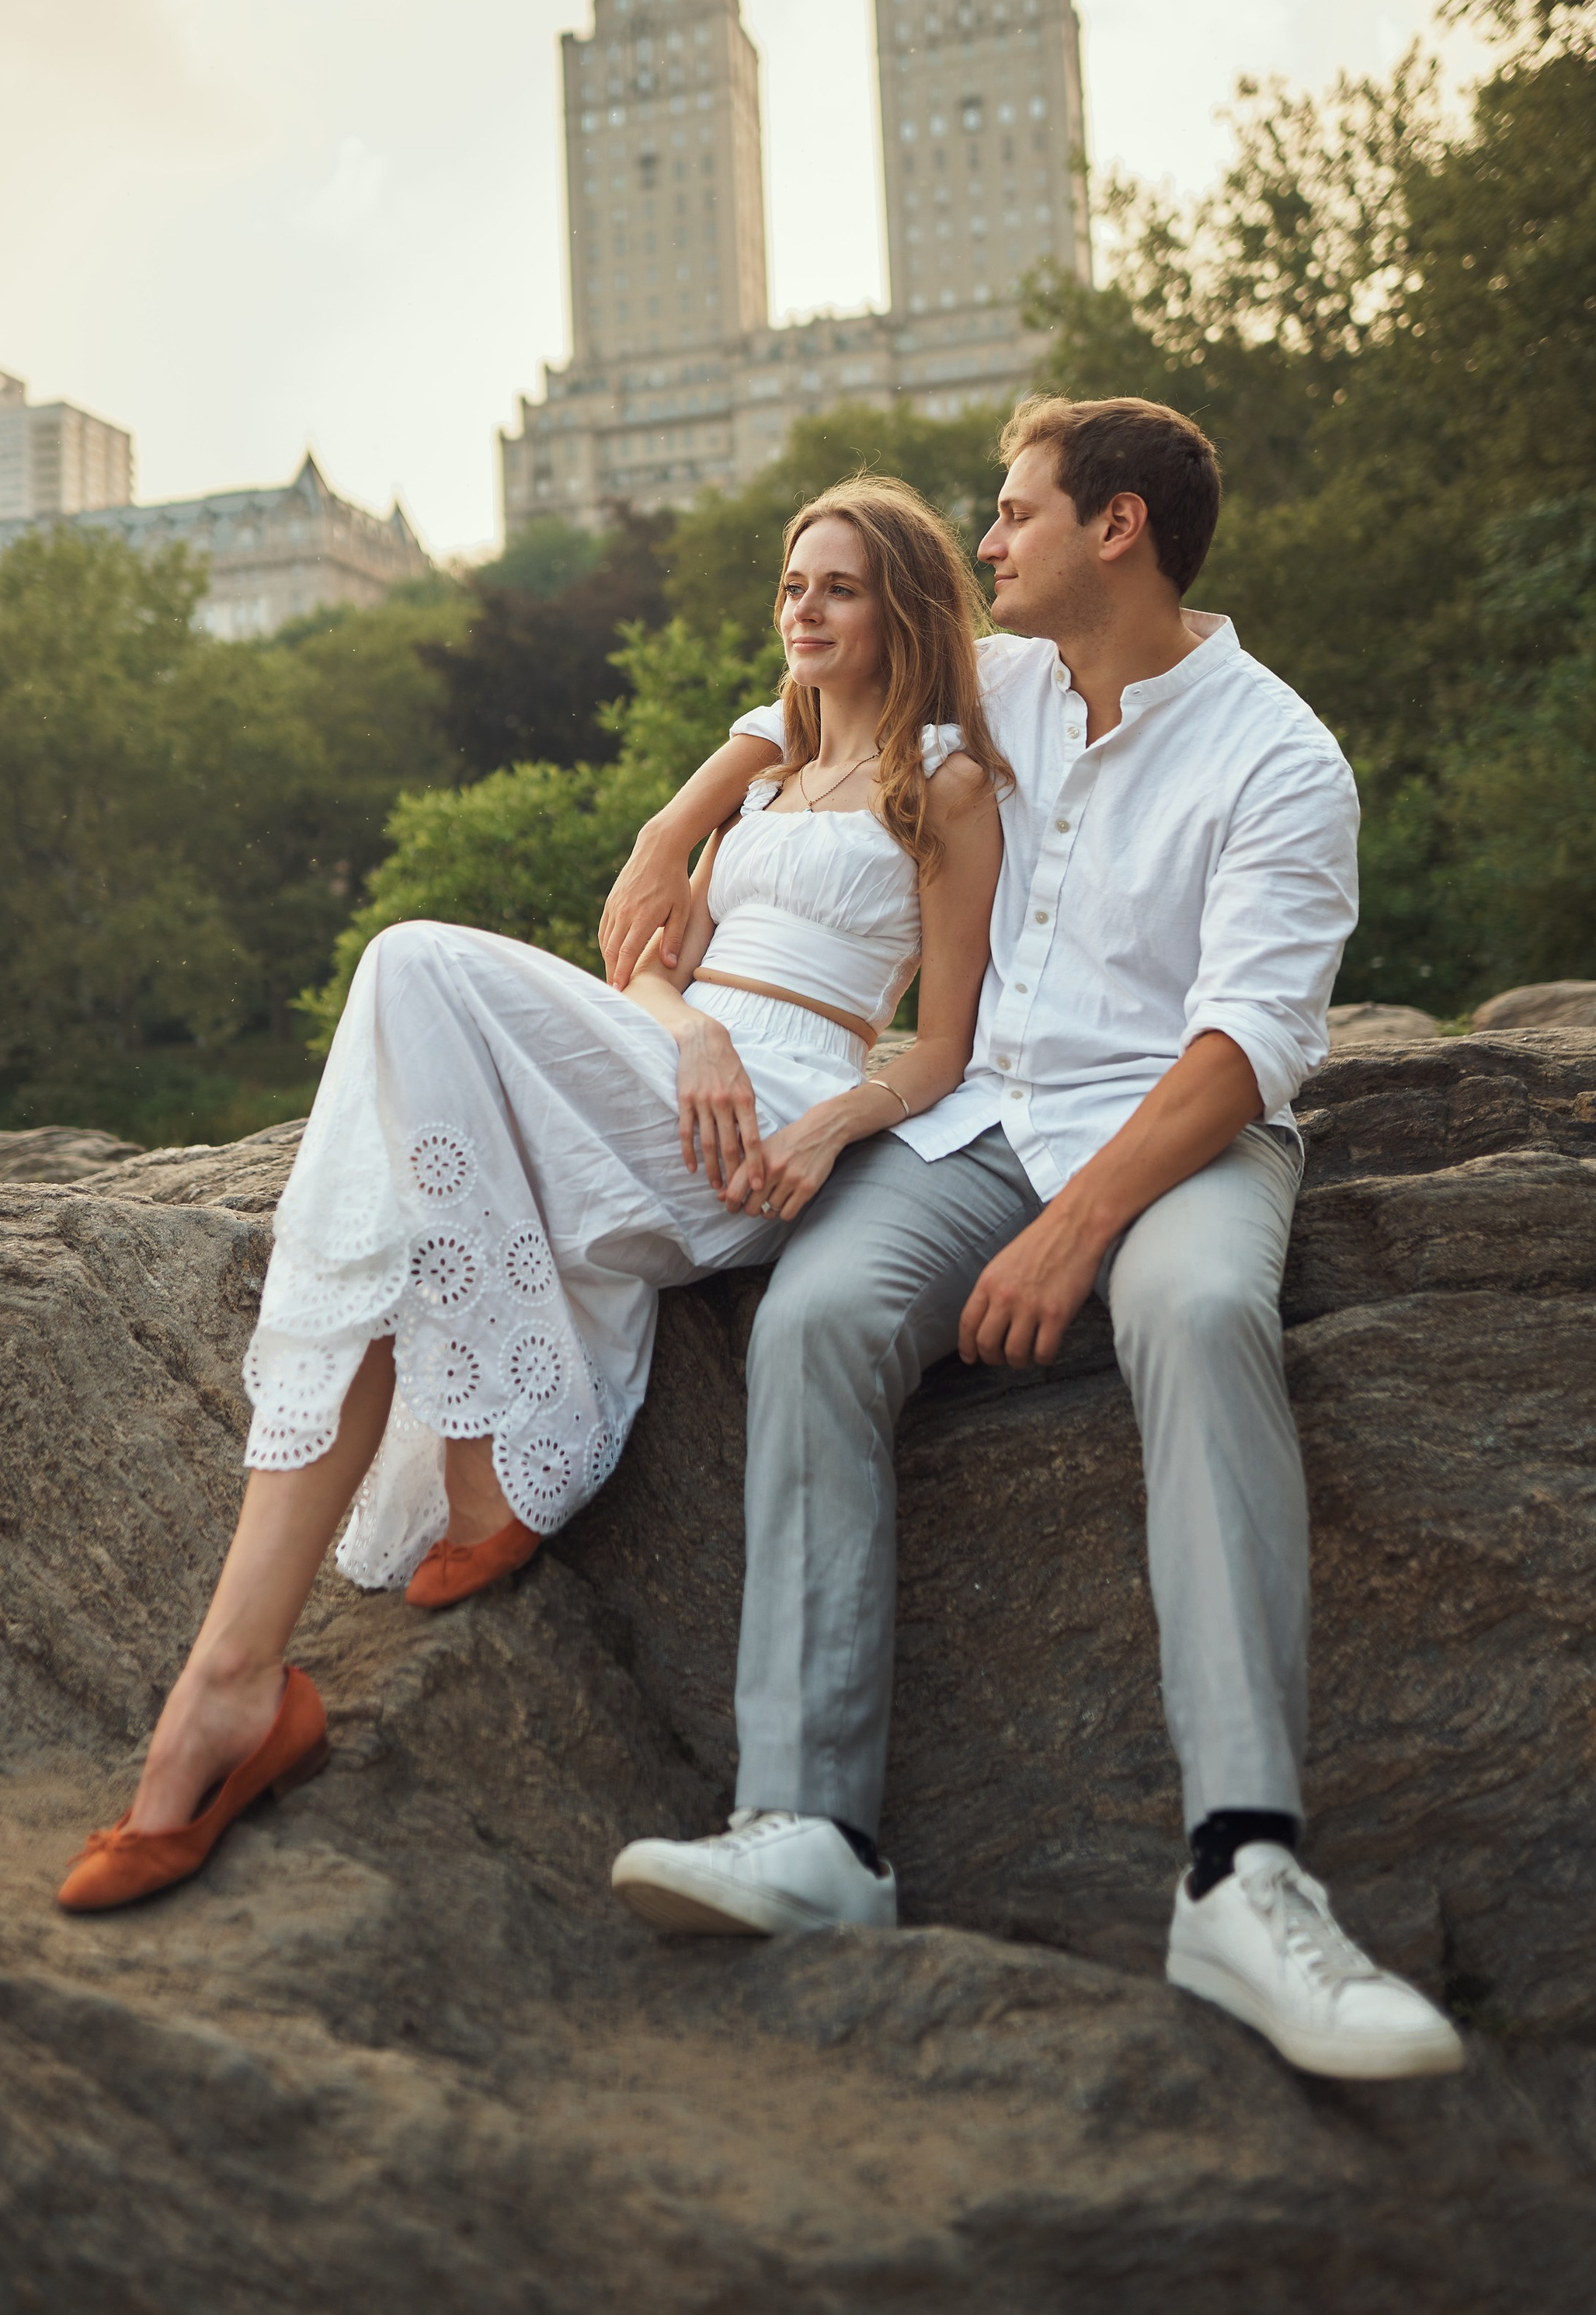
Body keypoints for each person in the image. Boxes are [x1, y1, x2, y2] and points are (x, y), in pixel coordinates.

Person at [607, 395, 1465, 2084]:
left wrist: (1075, 1227)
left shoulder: (1275, 754)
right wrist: (665, 834)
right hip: (964, 1119)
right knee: (814, 1318)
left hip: (1174, 1139)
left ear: (1116, 527)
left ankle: (1240, 1868)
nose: (983, 542)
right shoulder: (987, 685)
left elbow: (1243, 1044)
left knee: (1207, 1315)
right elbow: (797, 704)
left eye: (1010, 515)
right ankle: (811, 1832)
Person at [56, 477, 1006, 1914]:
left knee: (412, 962)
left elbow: (943, 1045)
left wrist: (829, 1132)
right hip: (681, 1062)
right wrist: (685, 1023)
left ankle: (328, 1606)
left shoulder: (942, 782)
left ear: (905, 611)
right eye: (791, 583)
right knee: (386, 1167)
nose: (801, 609)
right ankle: (235, 1685)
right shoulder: (759, 769)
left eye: (839, 588)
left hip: (779, 1113)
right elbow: (639, 952)